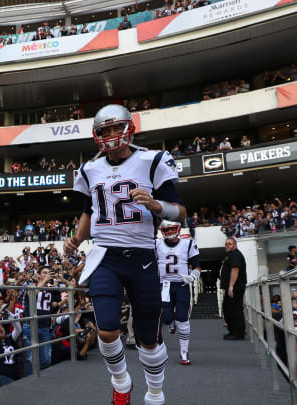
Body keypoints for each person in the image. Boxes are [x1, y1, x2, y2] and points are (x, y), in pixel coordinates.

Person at [67, 104, 186, 405]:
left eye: (115, 128)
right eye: (103, 131)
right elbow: (87, 210)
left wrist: (156, 205)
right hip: (105, 255)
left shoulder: (152, 160)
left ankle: (155, 390)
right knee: (106, 329)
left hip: (142, 256)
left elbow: (180, 212)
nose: (110, 135)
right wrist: (77, 238)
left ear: (129, 128)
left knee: (148, 338)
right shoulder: (89, 169)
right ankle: (121, 381)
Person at [156, 221, 200, 365]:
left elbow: (197, 266)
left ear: (178, 229)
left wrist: (192, 276)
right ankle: (171, 324)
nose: (169, 232)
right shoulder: (157, 245)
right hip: (165, 286)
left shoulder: (187, 244)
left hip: (182, 284)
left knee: (182, 317)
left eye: (172, 229)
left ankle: (184, 351)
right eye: (166, 230)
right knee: (166, 318)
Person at [220, 238, 246, 340]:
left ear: (235, 245)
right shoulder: (230, 255)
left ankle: (238, 333)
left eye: (230, 243)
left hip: (235, 287)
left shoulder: (235, 254)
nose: (227, 245)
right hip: (230, 288)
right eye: (226, 243)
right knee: (227, 308)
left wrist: (231, 286)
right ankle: (232, 331)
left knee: (235, 309)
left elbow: (235, 269)